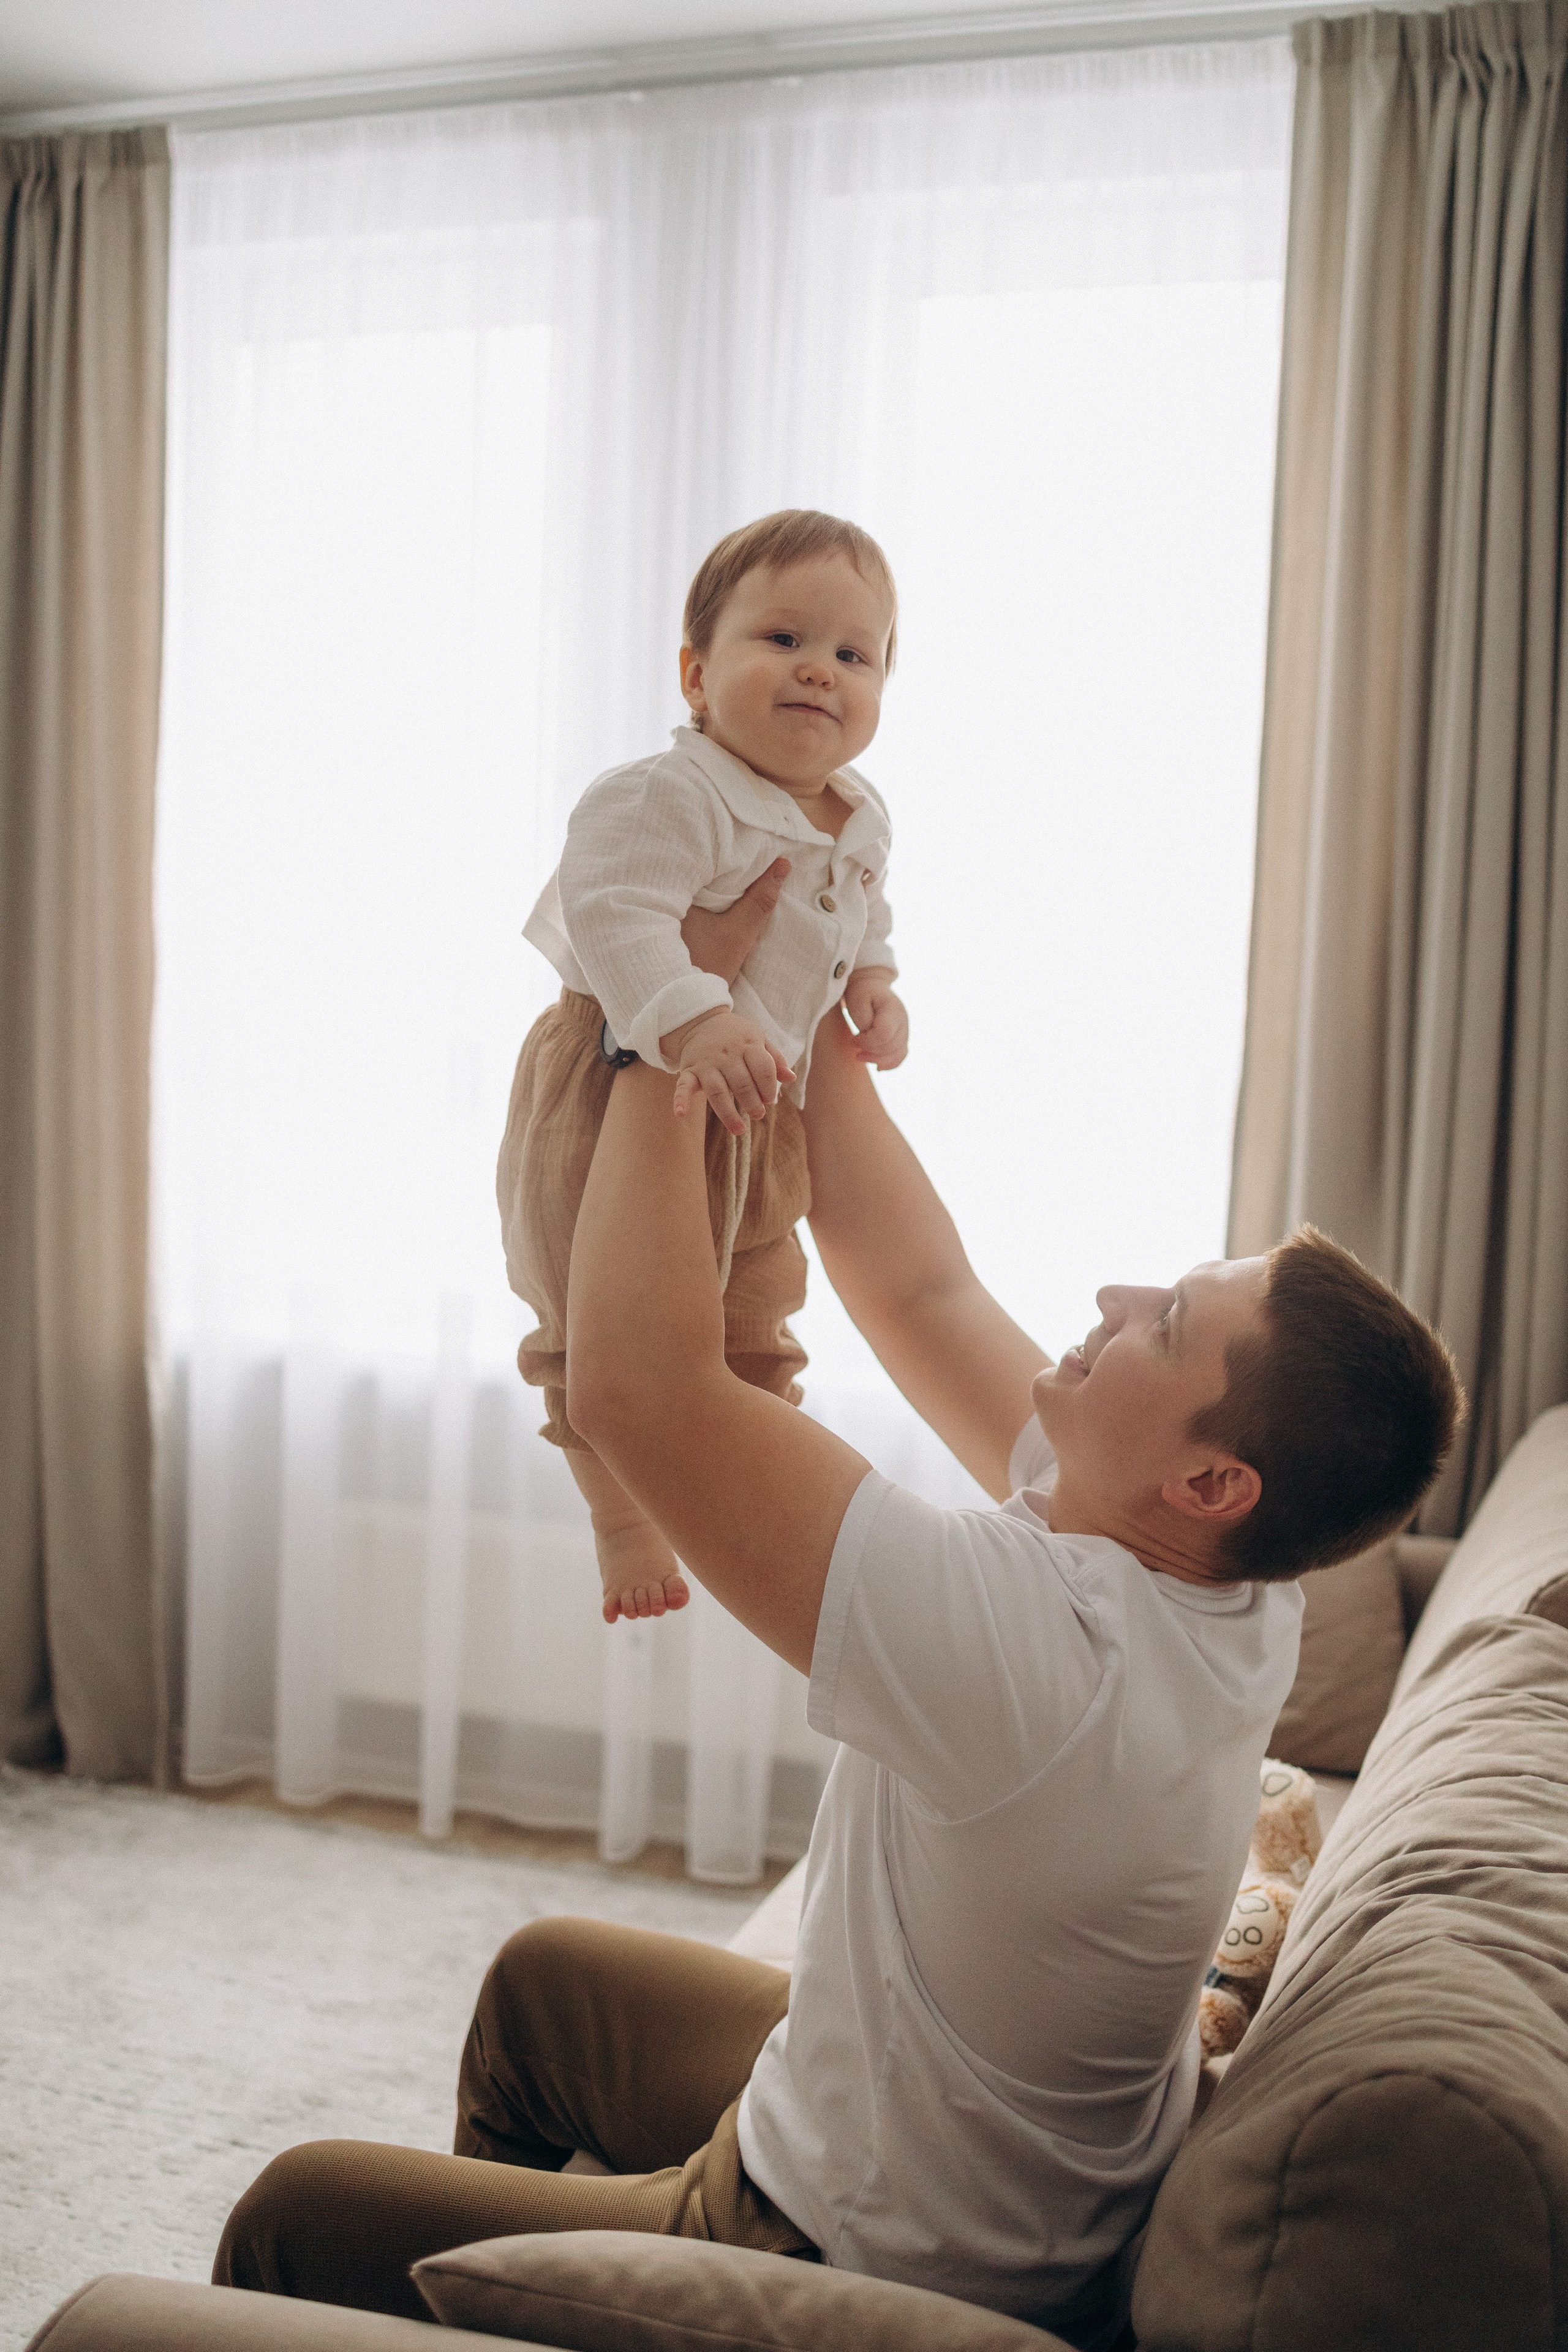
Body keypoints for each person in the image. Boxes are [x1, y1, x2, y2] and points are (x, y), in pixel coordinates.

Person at [216, 881, 1463, 2347]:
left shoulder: (1036, 1656)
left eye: (1168, 1323)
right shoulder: (1229, 1577)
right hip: (949, 2150)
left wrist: (655, 1018)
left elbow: (637, 1389)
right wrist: (800, 985)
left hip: (842, 2239)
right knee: (543, 1988)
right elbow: (916, 1285)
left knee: (297, 2210)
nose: (1117, 1295)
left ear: (1209, 1474)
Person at [499, 507, 909, 1627]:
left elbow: (857, 912)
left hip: (760, 1100)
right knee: (592, 1320)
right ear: (696, 672)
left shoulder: (861, 814)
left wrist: (874, 981)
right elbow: (618, 912)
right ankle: (620, 1517)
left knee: (759, 1308)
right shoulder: (664, 793)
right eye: (782, 640)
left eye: (852, 655)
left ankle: (745, 1469)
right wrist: (689, 1013)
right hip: (611, 1075)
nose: (820, 671)